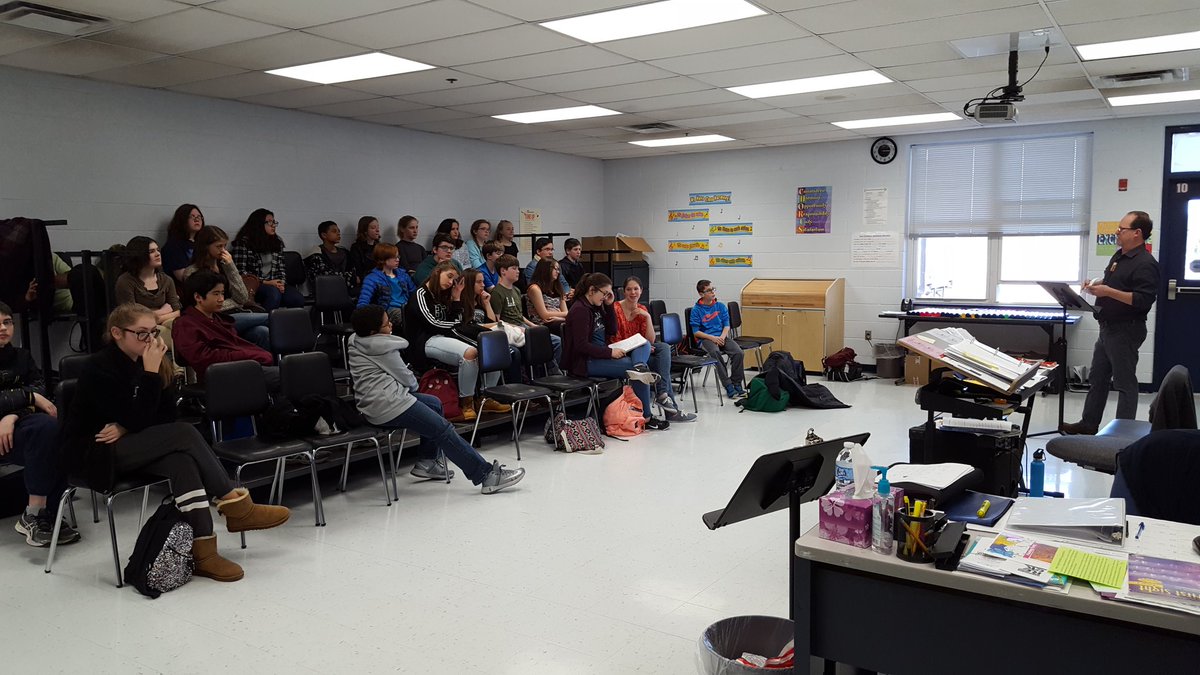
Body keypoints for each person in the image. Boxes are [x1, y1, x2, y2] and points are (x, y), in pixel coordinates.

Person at [63, 303, 290, 582]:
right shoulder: (98, 367)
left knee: (181, 460)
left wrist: (126, 424)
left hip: (134, 442)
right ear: (117, 333)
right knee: (183, 433)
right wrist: (147, 381)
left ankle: (204, 553)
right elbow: (139, 418)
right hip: (97, 452)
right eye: (141, 333)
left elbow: (166, 416)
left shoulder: (153, 360)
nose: (150, 339)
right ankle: (235, 503)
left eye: (153, 332)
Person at [347, 305, 526, 494]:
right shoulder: (383, 348)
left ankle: (427, 462)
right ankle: (485, 475)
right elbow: (408, 381)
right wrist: (410, 386)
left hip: (372, 403)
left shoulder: (356, 340)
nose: (391, 324)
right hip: (389, 404)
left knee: (434, 403)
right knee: (443, 429)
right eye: (386, 324)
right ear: (373, 332)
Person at [1061, 211, 1161, 435]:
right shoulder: (1119, 256)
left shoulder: (1146, 263)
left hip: (1126, 329)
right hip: (1107, 327)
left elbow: (1143, 300)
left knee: (1125, 384)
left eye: (1122, 229)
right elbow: (1112, 281)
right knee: (1098, 378)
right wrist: (1096, 284)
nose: (1117, 232)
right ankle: (1088, 424)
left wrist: (1108, 292)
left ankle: (1122, 433)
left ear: (1137, 233)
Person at [0, 301, 79, 547]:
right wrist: (28, 398)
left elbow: (41, 389)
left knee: (52, 429)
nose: (3, 328)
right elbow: (35, 395)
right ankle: (39, 513)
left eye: (7, 322)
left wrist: (13, 415)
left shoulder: (21, 356)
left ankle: (44, 513)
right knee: (45, 431)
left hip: (17, 427)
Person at [562, 274, 668, 430]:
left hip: (600, 355)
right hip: (586, 361)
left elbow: (612, 330)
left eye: (608, 294)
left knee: (644, 344)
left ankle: (639, 366)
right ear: (591, 290)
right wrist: (609, 353)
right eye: (604, 293)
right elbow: (581, 346)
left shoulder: (596, 306)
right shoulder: (580, 310)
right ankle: (646, 417)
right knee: (639, 372)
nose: (605, 297)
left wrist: (609, 305)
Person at [407, 262, 511, 421]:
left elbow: (456, 319)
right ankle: (466, 403)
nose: (450, 282)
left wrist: (456, 297)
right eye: (449, 276)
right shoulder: (420, 294)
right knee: (470, 353)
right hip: (425, 340)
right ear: (437, 272)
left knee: (490, 346)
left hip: (445, 335)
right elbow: (432, 323)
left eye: (453, 280)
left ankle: (486, 397)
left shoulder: (444, 294)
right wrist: (457, 324)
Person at [614, 276, 695, 422]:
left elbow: (650, 340)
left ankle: (662, 395)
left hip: (641, 350)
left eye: (636, 289)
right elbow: (616, 339)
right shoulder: (616, 308)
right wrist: (641, 346)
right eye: (629, 289)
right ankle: (669, 407)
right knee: (661, 364)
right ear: (624, 291)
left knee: (663, 348)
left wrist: (647, 317)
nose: (633, 292)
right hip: (623, 351)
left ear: (641, 291)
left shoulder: (642, 309)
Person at [173, 272, 277, 385]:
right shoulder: (185, 324)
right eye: (216, 294)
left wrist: (252, 355)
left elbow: (232, 345)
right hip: (220, 376)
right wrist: (250, 355)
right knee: (285, 376)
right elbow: (204, 359)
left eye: (222, 293)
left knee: (261, 333)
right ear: (198, 297)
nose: (221, 299)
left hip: (240, 368)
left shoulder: (218, 319)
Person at [181, 226, 270, 350]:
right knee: (271, 318)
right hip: (215, 318)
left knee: (262, 332)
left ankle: (268, 362)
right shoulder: (192, 272)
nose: (223, 250)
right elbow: (203, 306)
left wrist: (231, 266)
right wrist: (234, 302)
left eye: (224, 246)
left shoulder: (225, 265)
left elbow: (242, 297)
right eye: (219, 246)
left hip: (236, 313)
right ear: (205, 247)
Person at [490, 254, 562, 369]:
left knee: (554, 339)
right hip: (510, 329)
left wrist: (533, 326)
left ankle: (550, 371)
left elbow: (520, 315)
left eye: (518, 268)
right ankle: (552, 372)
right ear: (503, 271)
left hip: (522, 325)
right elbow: (497, 320)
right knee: (548, 341)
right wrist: (518, 328)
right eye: (514, 268)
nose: (518, 271)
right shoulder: (497, 292)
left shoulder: (516, 290)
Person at [114, 236, 181, 349]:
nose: (158, 254)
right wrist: (162, 311)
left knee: (180, 327)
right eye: (151, 251)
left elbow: (177, 311)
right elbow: (131, 315)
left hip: (164, 321)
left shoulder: (166, 280)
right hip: (139, 328)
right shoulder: (125, 281)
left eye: (158, 250)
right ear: (139, 255)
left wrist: (157, 317)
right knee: (175, 337)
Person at [231, 208, 304, 310]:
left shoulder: (277, 241)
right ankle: (265, 319)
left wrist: (281, 283)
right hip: (254, 285)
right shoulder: (243, 243)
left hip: (274, 283)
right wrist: (266, 282)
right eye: (269, 222)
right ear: (258, 224)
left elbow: (281, 268)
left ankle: (292, 321)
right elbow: (240, 272)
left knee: (297, 299)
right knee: (273, 294)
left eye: (274, 222)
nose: (273, 225)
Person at [459, 267, 523, 384]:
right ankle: (511, 385)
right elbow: (468, 326)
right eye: (479, 282)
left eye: (483, 281)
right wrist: (492, 325)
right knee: (513, 352)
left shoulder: (480, 301)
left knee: (520, 348)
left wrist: (487, 303)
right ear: (469, 284)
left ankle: (518, 383)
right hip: (475, 337)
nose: (483, 285)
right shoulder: (461, 303)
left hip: (489, 335)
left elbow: (492, 320)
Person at [691, 279, 746, 399]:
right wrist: (713, 338)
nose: (713, 292)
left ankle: (737, 383)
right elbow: (696, 332)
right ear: (701, 294)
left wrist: (721, 337)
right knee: (715, 353)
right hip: (706, 339)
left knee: (738, 353)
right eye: (709, 290)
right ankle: (728, 385)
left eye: (713, 289)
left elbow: (726, 325)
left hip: (721, 336)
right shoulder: (696, 310)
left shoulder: (720, 306)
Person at [357, 243, 416, 331]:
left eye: (398, 256)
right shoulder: (372, 278)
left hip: (407, 307)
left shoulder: (403, 274)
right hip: (389, 310)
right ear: (383, 259)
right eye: (394, 257)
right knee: (410, 319)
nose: (398, 260)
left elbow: (414, 293)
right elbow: (363, 301)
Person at [303, 220, 356, 291]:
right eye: (334, 231)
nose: (338, 234)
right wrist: (345, 277)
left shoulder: (345, 252)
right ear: (324, 235)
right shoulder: (316, 255)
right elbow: (323, 278)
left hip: (348, 290)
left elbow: (353, 274)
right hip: (326, 291)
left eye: (339, 231)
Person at [162, 203, 204, 282]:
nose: (197, 219)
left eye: (199, 217)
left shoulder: (202, 242)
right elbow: (183, 277)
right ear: (182, 220)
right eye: (192, 216)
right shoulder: (173, 245)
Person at [526, 258, 568, 330]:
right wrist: (565, 314)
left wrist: (560, 317)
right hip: (542, 324)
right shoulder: (535, 288)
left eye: (558, 269)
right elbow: (544, 315)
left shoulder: (558, 288)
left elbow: (566, 311)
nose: (558, 272)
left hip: (558, 320)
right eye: (555, 269)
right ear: (546, 269)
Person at [349, 216, 382, 284]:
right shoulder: (356, 247)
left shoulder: (380, 246)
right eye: (373, 228)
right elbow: (358, 270)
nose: (377, 230)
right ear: (365, 231)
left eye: (378, 227)